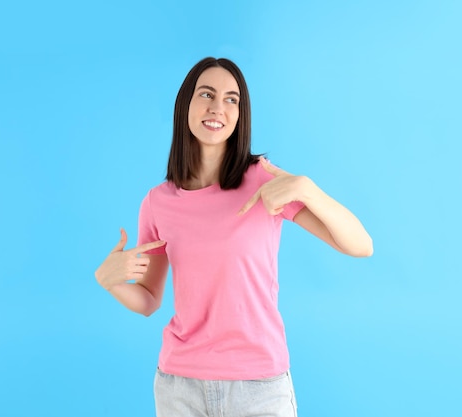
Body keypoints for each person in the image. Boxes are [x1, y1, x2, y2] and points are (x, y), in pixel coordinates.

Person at [95, 57, 373, 417]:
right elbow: (149, 299)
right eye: (206, 94)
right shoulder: (158, 202)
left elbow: (360, 245)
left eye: (231, 99)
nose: (217, 107)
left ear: (241, 115)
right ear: (186, 105)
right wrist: (108, 280)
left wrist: (307, 189)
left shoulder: (264, 181)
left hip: (259, 386)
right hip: (180, 386)